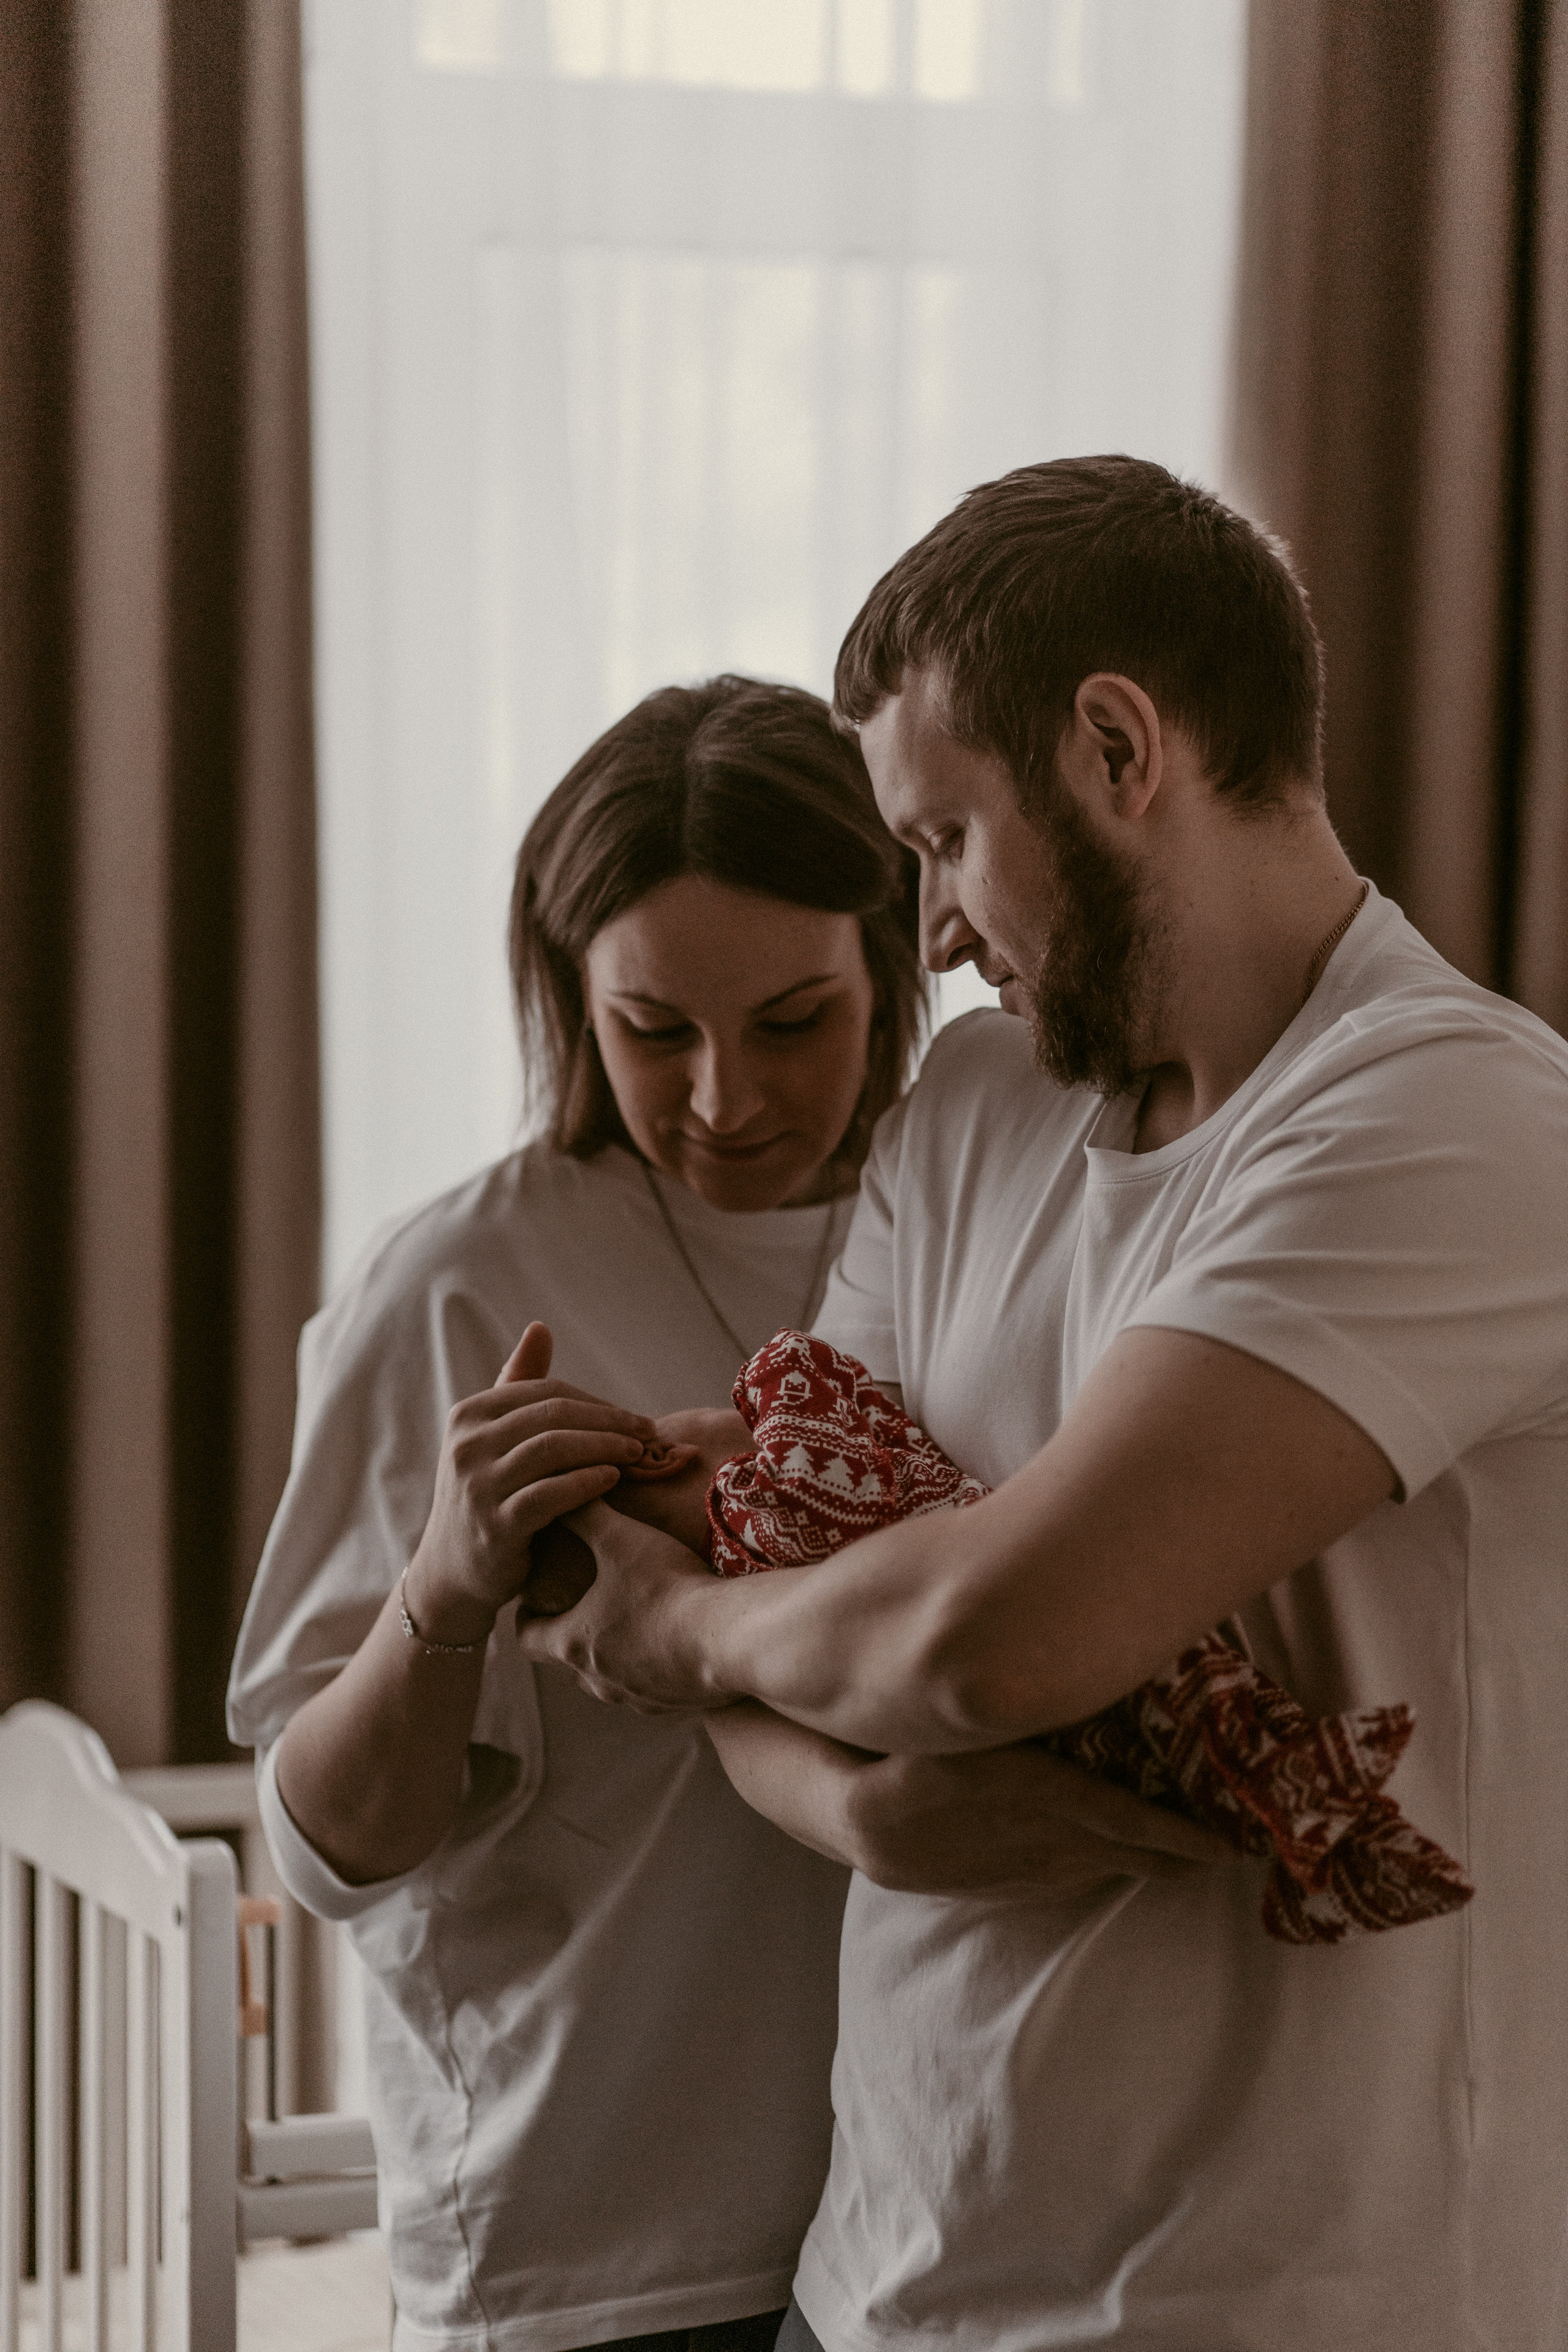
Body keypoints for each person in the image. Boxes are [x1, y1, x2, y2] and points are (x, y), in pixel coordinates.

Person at [520, 461, 1568, 2351]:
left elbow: (984, 1639)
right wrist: (869, 1810)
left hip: (1286, 2310)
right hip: (882, 2281)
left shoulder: (1457, 1122)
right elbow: (791, 1567)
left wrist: (671, 1637)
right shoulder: (976, 1103)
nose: (929, 932)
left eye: (945, 841)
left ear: (1113, 747)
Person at [227, 672, 1220, 2352]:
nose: (722, 1099)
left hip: (939, 2223)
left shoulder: (985, 1212)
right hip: (593, 2243)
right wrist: (445, 1592)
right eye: (653, 1032)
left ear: (898, 960)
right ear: (569, 998)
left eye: (791, 1022)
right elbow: (322, 1853)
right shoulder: (458, 1288)